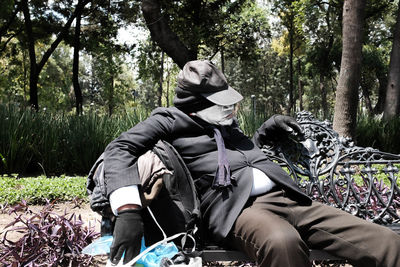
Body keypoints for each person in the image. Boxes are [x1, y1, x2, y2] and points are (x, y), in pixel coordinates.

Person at [103, 60, 400, 267]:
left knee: (384, 241)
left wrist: (265, 132)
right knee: (281, 242)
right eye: (224, 103)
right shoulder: (169, 121)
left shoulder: (224, 122)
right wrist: (128, 210)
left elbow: (237, 158)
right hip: (238, 211)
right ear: (197, 106)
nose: (233, 108)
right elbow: (120, 148)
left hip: (287, 199)